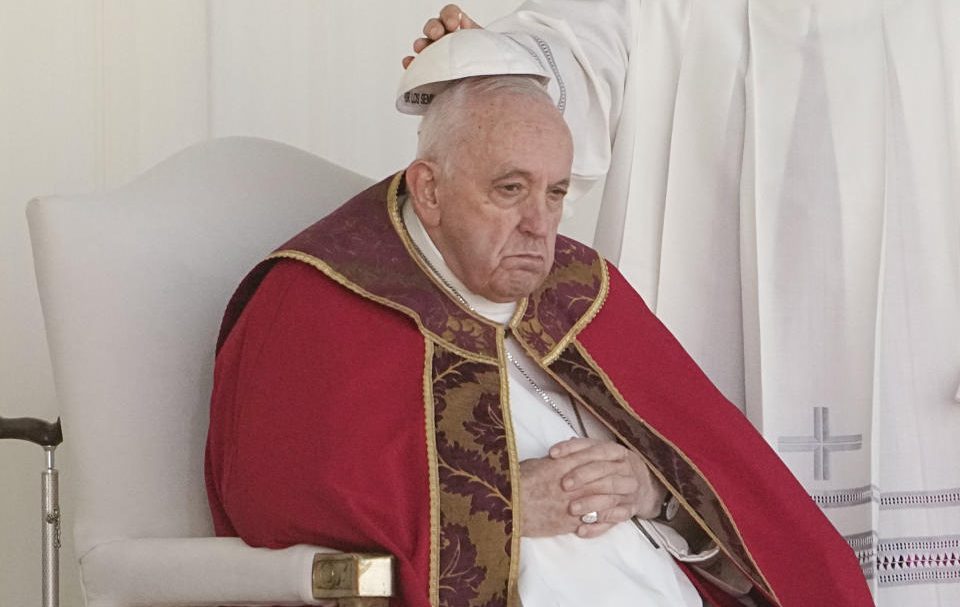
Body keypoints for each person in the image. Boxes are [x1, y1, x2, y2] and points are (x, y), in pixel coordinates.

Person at [205, 74, 873, 606]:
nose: (538, 225)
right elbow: (282, 506)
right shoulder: (320, 299)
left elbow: (721, 472)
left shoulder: (578, 289)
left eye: (556, 193)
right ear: (429, 190)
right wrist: (502, 505)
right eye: (510, 189)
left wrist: (653, 489)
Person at [404, 0, 960, 603]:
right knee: (715, 512)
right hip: (711, 319)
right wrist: (498, 64)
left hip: (920, 334)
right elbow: (585, 39)